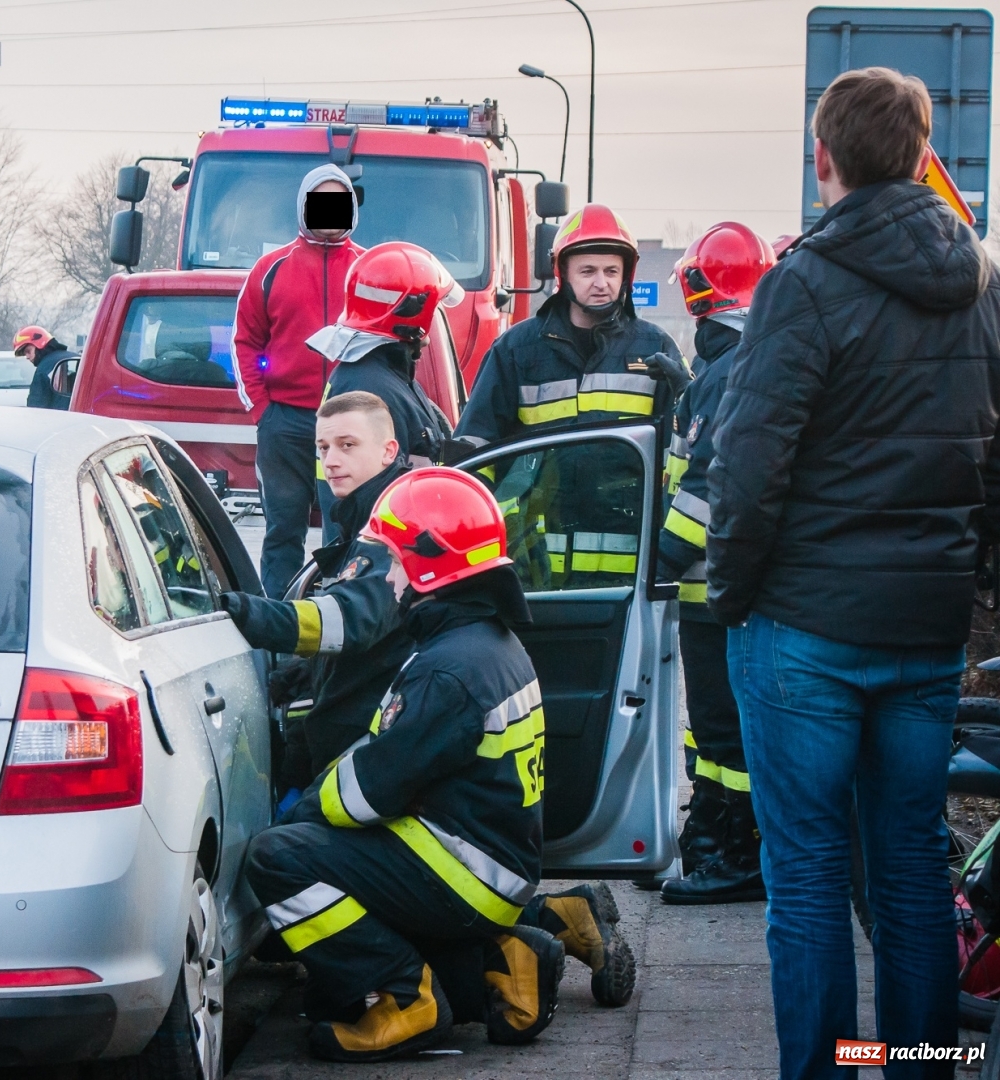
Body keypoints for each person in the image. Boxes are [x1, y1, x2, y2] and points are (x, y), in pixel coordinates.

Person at [707, 66, 1000, 1077]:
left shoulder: (804, 281)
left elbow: (750, 466)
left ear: (821, 158)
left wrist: (730, 594)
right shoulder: (978, 283)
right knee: (914, 873)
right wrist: (976, 590)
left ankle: (828, 1070)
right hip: (923, 631)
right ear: (925, 157)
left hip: (804, 632)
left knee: (810, 878)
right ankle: (915, 1065)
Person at [244, 469, 634, 1062]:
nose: (389, 576)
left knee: (280, 858)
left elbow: (363, 796)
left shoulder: (445, 669)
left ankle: (406, 1001)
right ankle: (507, 962)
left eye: (394, 562)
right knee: (336, 951)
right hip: (487, 862)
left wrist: (303, 811)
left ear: (429, 568)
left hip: (463, 870)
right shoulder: (482, 641)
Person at [650, 222, 774, 906]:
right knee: (716, 732)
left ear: (699, 293)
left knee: (726, 733)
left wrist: (662, 561)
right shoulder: (728, 369)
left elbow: (705, 487)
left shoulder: (729, 373)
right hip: (719, 594)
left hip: (712, 593)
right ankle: (717, 840)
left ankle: (739, 854)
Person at [221, 391, 412, 795]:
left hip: (369, 745)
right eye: (323, 448)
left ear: (387, 451)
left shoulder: (392, 528)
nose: (331, 461)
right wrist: (305, 671)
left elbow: (349, 620)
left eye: (347, 445)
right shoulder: (364, 517)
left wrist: (241, 612)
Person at [233, 164, 366, 597]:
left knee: (343, 531)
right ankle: (277, 624)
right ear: (304, 208)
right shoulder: (270, 269)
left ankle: (338, 618)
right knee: (283, 533)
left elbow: (389, 346)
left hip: (348, 426)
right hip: (285, 425)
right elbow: (245, 342)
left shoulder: (368, 269)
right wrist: (261, 411)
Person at [459, 204, 687, 447]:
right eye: (588, 271)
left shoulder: (657, 347)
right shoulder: (514, 350)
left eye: (611, 271)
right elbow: (475, 442)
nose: (601, 283)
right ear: (563, 274)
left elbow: (686, 443)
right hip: (541, 488)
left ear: (625, 276)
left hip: (630, 488)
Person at [305, 242, 460, 542]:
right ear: (415, 314)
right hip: (382, 562)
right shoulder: (372, 386)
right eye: (434, 307)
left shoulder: (382, 375)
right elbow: (381, 499)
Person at [13, 325, 78, 410]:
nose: (27, 357)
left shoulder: (43, 369)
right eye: (25, 354)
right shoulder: (77, 358)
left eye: (28, 351)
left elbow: (36, 406)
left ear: (39, 345)